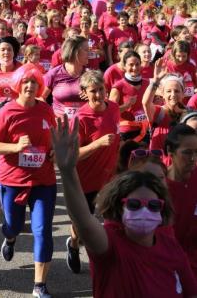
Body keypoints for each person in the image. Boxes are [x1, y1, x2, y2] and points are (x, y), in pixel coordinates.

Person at [52, 119, 197, 297]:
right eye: (134, 205)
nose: (144, 211)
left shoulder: (171, 248)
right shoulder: (111, 244)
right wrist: (68, 172)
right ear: (120, 205)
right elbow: (84, 222)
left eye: (153, 205)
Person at [0, 64, 57, 298]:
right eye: (25, 82)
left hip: (43, 180)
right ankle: (10, 238)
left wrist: (54, 151)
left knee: (42, 230)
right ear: (18, 86)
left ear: (40, 86)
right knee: (13, 226)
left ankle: (39, 285)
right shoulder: (5, 113)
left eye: (34, 83)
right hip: (12, 179)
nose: (30, 86)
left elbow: (54, 138)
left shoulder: (46, 110)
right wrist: (15, 147)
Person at [65, 70, 120, 274]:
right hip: (85, 181)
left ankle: (108, 263)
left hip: (110, 180)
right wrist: (98, 143)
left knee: (113, 223)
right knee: (82, 227)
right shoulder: (81, 118)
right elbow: (72, 156)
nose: (98, 95)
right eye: (93, 91)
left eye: (100, 90)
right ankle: (73, 244)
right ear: (84, 93)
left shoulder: (113, 108)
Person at [166, 124, 197, 277]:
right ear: (169, 152)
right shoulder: (157, 187)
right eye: (187, 153)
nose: (193, 159)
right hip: (168, 270)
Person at [143, 59, 188, 155]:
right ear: (162, 94)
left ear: (183, 94)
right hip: (158, 166)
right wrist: (155, 81)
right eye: (168, 91)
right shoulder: (159, 113)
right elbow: (146, 103)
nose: (173, 95)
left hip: (181, 166)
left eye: (177, 91)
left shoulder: (188, 114)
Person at [42, 36, 88, 120]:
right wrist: (51, 116)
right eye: (86, 50)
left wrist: (92, 96)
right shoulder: (54, 74)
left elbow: (102, 100)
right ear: (75, 52)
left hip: (84, 126)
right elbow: (41, 98)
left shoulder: (89, 75)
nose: (89, 53)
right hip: (61, 126)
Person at [109, 50, 149, 142]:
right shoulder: (118, 86)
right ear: (124, 66)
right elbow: (111, 112)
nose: (134, 68)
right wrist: (127, 105)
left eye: (137, 64)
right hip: (126, 132)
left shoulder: (147, 83)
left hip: (145, 128)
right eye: (131, 65)